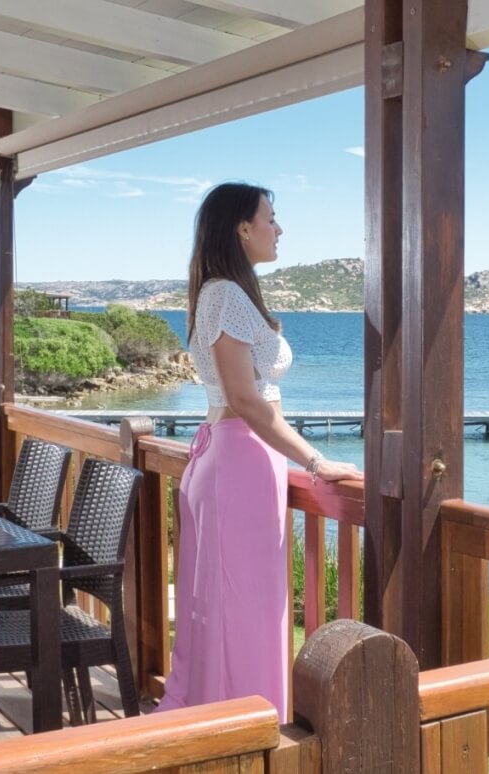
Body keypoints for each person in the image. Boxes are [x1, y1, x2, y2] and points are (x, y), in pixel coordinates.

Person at [155, 182, 361, 721]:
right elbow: (246, 400)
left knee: (232, 609)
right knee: (244, 612)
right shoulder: (223, 293)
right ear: (242, 228)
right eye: (271, 218)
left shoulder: (223, 292)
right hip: (237, 461)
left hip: (236, 461)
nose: (279, 228)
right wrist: (315, 461)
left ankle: (227, 724)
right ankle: (241, 728)